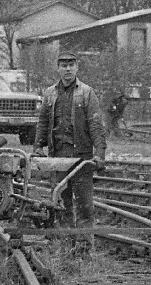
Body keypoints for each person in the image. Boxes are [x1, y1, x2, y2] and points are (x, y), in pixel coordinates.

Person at [34, 52, 106, 228]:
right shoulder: (50, 94)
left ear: (77, 67)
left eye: (71, 65)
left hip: (81, 157)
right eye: (64, 65)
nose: (67, 69)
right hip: (57, 156)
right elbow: (43, 122)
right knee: (60, 203)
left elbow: (96, 125)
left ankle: (84, 250)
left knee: (85, 206)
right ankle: (66, 247)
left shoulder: (87, 93)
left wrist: (100, 154)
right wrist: (38, 146)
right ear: (58, 68)